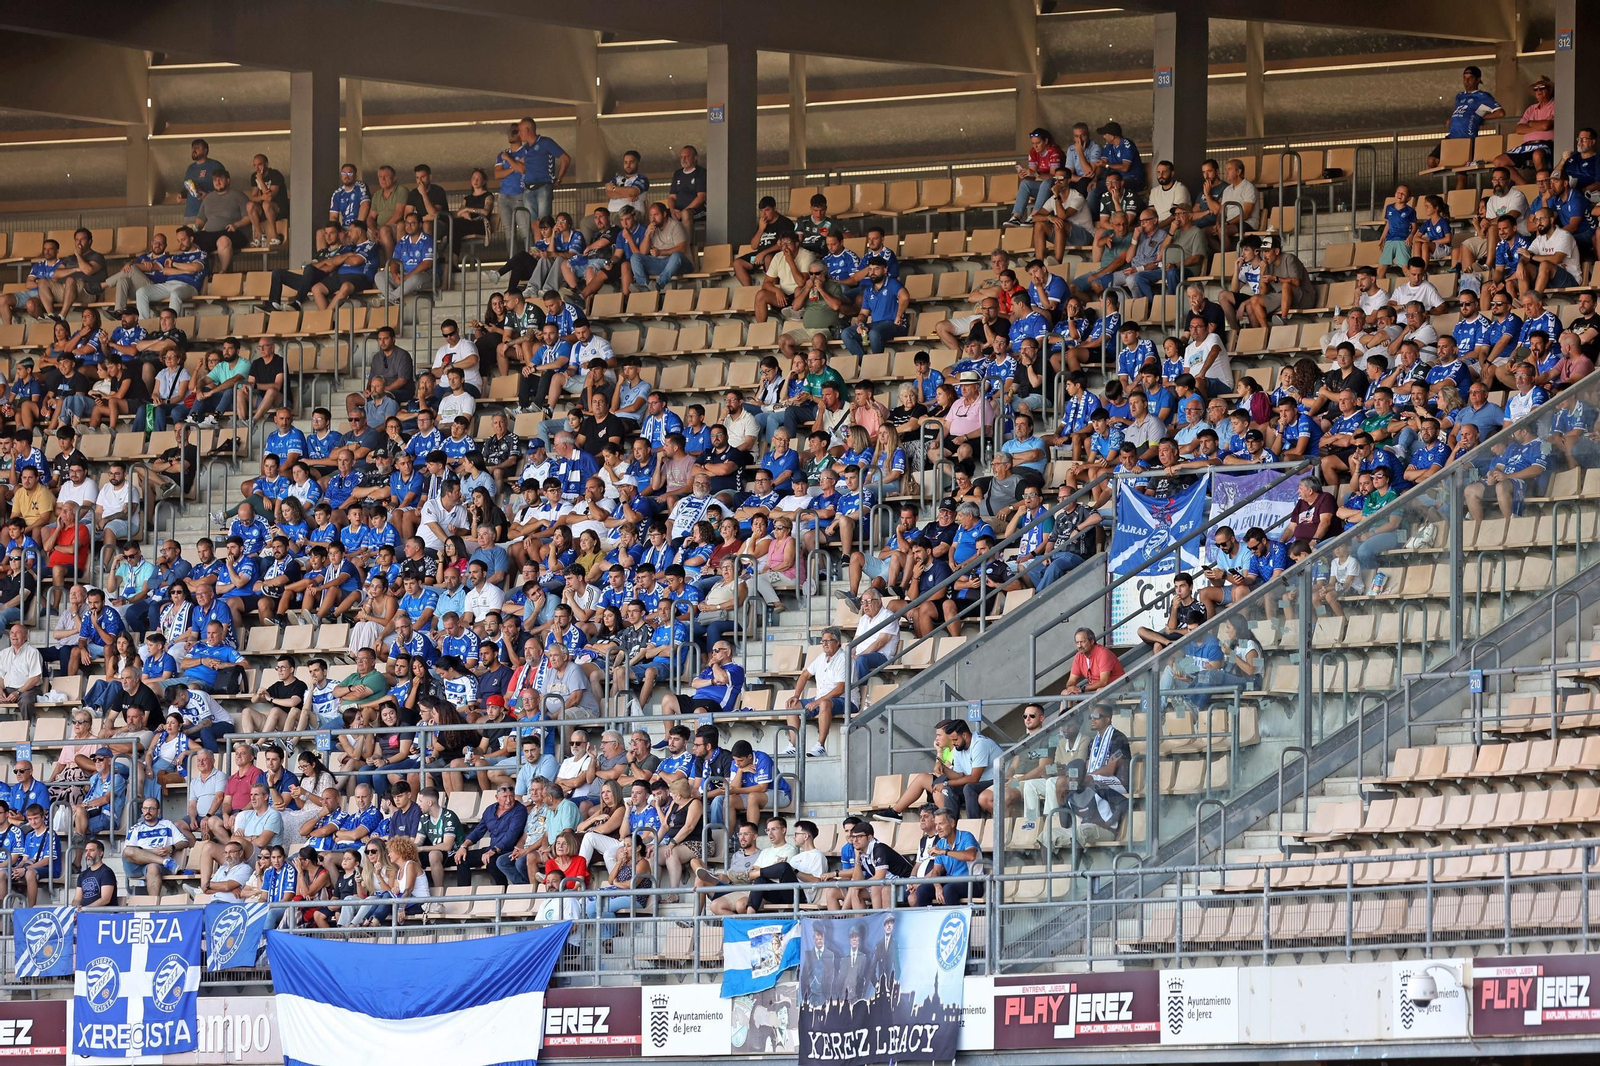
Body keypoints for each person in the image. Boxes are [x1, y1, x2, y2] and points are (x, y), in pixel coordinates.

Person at [784, 626, 849, 757]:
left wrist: (818, 701)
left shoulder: (843, 658)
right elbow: (804, 675)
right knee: (792, 705)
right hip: (821, 698)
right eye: (823, 641)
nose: (824, 644)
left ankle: (821, 746)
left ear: (837, 642)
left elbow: (840, 688)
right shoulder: (821, 658)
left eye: (828, 641)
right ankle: (793, 746)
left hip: (845, 700)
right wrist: (796, 695)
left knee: (824, 703)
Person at [1060, 627, 1124, 696]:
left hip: (1118, 687)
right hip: (1094, 689)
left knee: (1100, 691)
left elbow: (1104, 682)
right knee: (1065, 693)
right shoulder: (1078, 656)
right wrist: (1070, 688)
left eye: (1082, 642)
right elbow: (1071, 680)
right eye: (1077, 643)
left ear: (1092, 641)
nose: (1079, 646)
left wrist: (1081, 689)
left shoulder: (1103, 653)